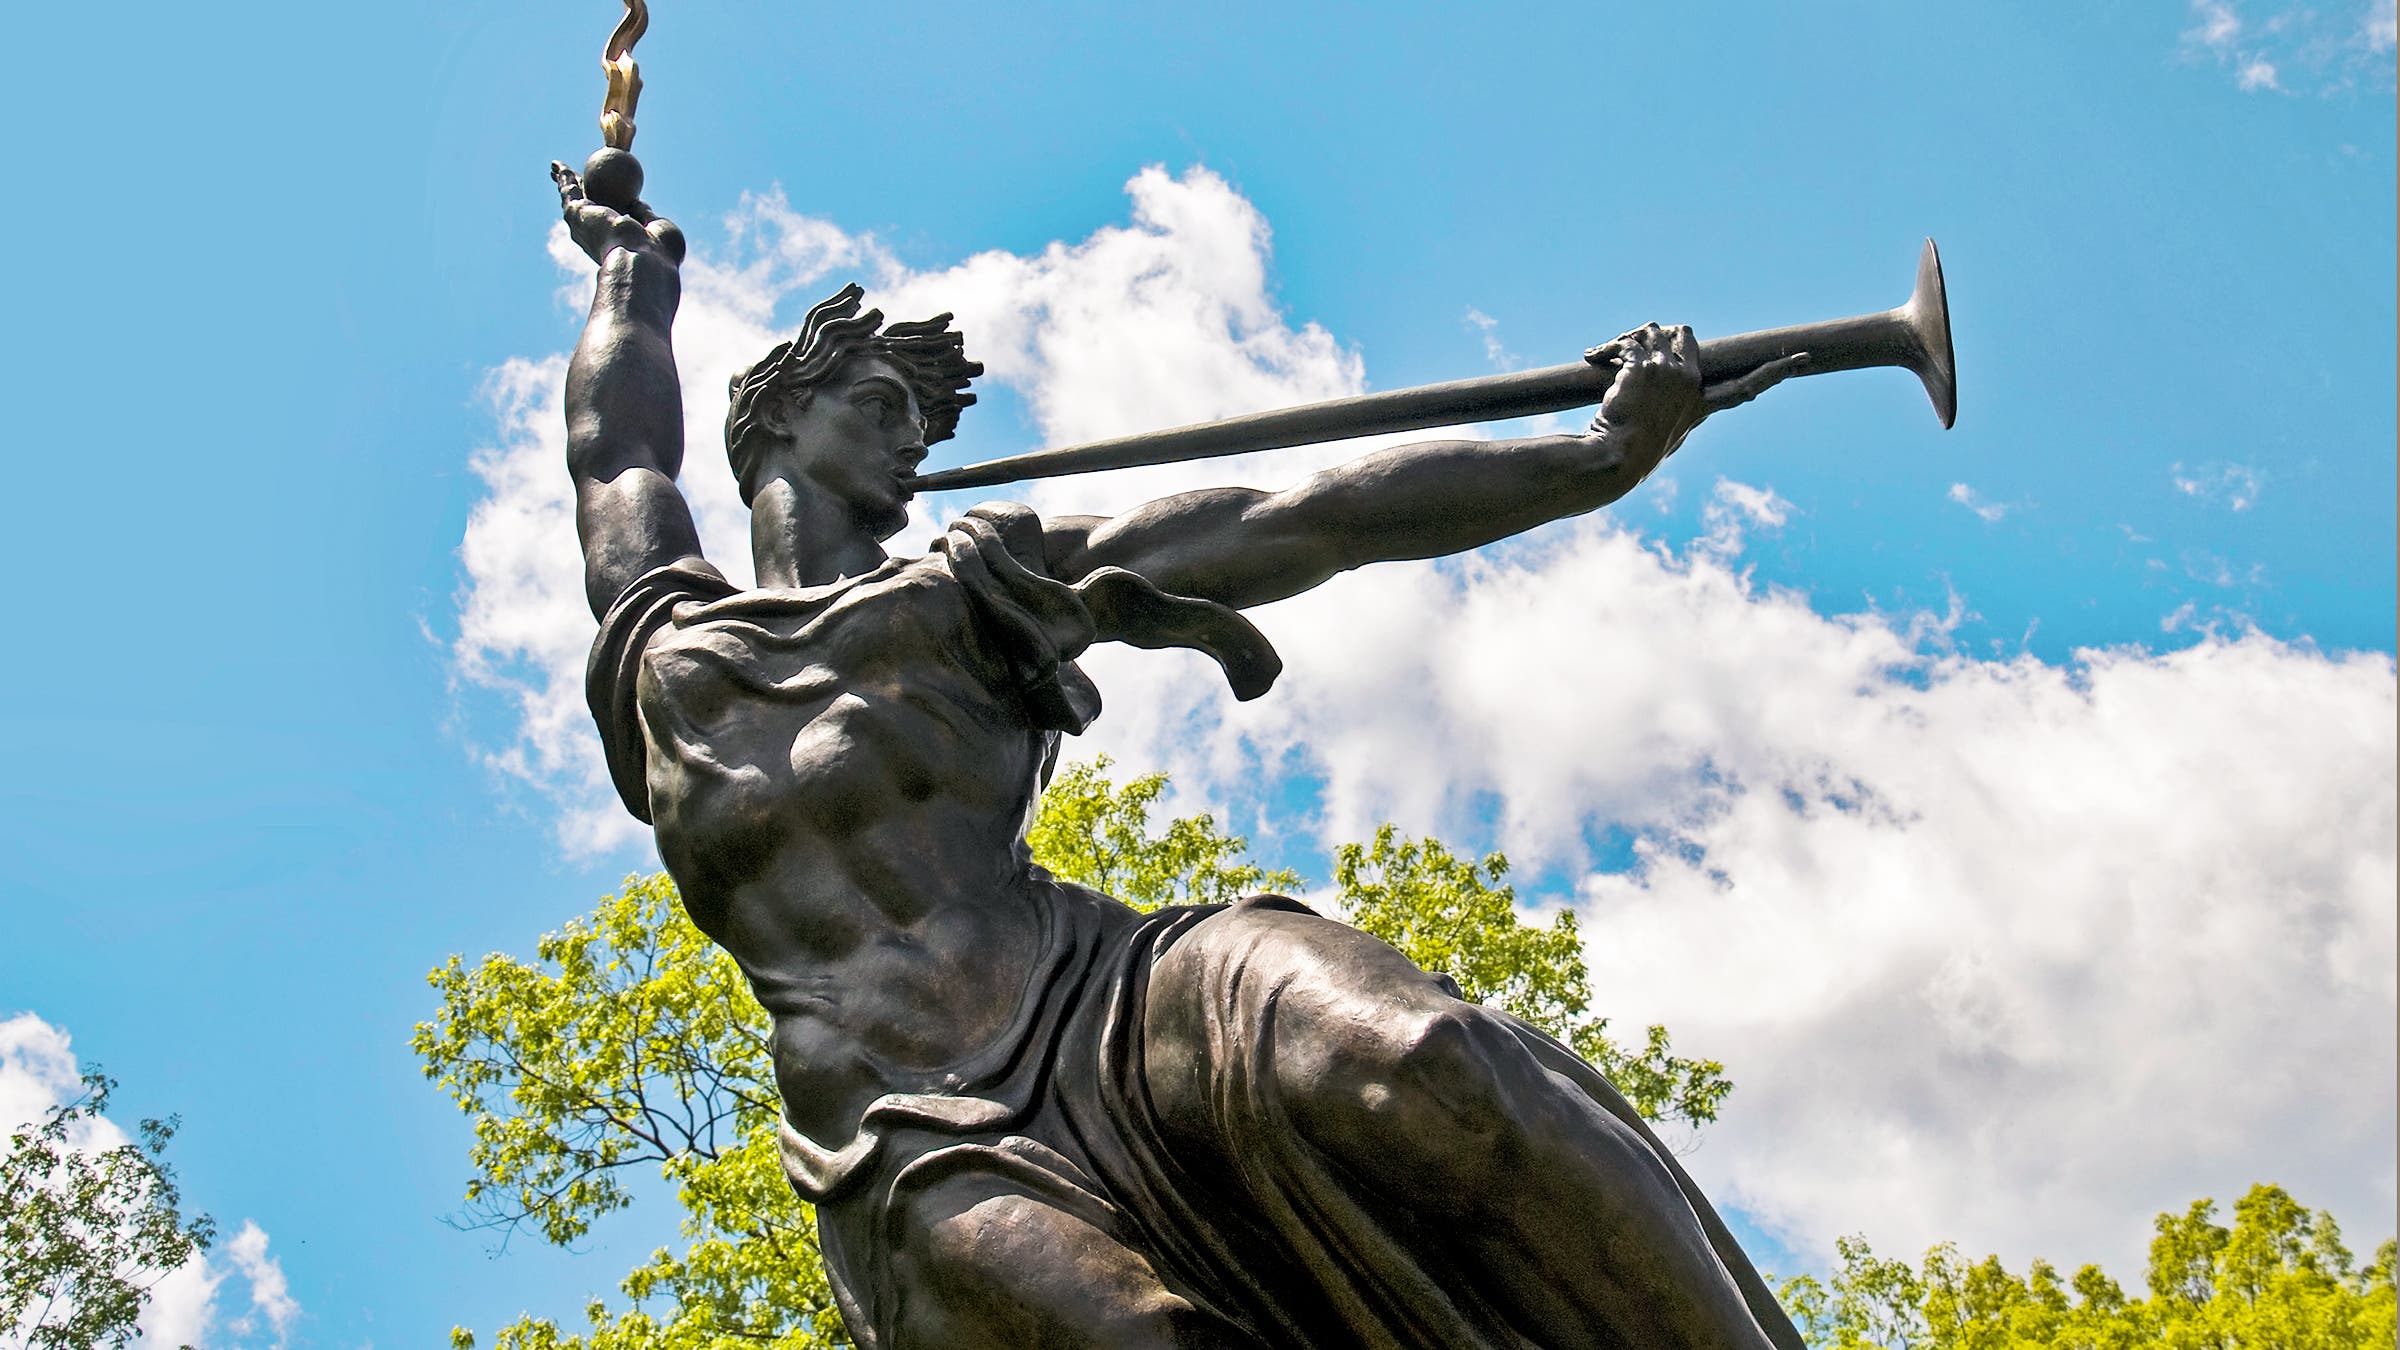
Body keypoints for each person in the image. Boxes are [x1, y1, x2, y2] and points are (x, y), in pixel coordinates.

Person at [552, 154, 1809, 1350]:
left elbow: (1304, 520)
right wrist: (632, 274)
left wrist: (1601, 454)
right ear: (774, 418)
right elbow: (617, 453)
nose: (907, 443)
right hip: (906, 1134)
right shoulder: (668, 648)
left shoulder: (977, 587)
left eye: (918, 427)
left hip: (1108, 995)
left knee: (1417, 1060)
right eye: (879, 407)